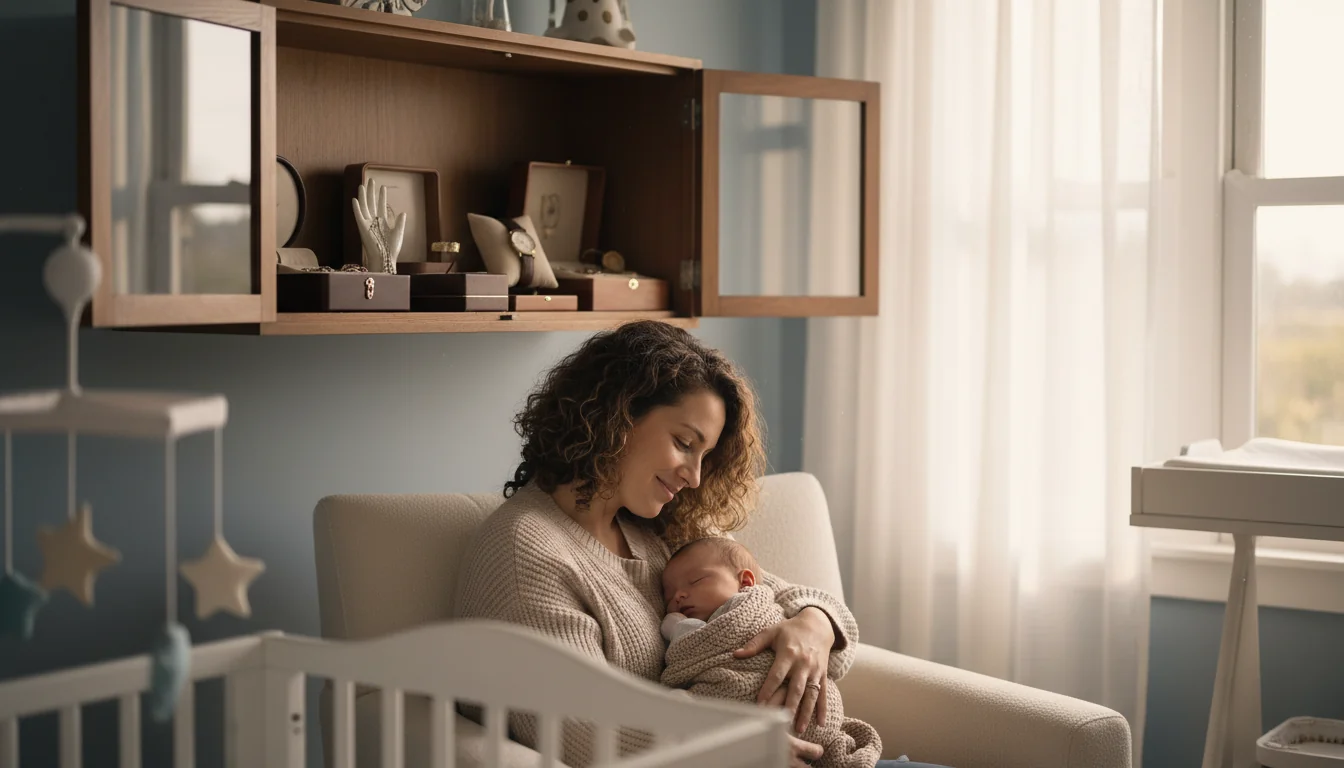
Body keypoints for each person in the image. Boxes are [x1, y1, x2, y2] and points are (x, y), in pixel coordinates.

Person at [453, 321, 951, 768]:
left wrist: (813, 625)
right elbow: (583, 734)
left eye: (704, 456)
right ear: (616, 417)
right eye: (684, 443)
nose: (693, 477)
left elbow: (791, 610)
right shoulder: (527, 552)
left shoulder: (664, 526)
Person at [660, 537, 885, 768]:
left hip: (816, 722)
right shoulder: (695, 624)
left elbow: (809, 601)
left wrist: (815, 622)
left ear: (745, 583)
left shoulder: (696, 537)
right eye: (668, 596)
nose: (678, 596)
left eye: (695, 581)